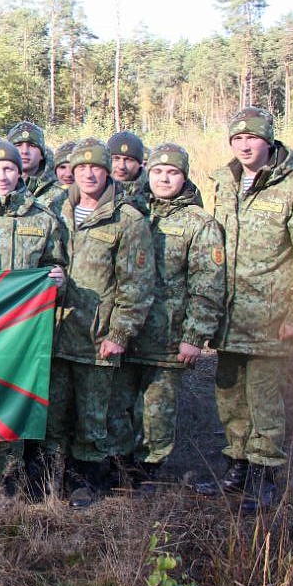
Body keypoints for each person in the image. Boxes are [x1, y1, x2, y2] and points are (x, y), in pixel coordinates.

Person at [198, 107, 293, 510]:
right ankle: (237, 463)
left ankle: (264, 473)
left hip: (271, 317)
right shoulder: (223, 183)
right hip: (228, 314)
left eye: (251, 138)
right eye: (236, 139)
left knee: (264, 398)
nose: (243, 145)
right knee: (229, 394)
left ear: (268, 140)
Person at [105, 143, 224, 495]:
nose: (164, 178)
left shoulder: (199, 223)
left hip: (169, 336)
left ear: (184, 177)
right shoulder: (131, 211)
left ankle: (150, 469)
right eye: (158, 172)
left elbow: (208, 284)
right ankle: (121, 463)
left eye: (172, 173)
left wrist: (195, 335)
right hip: (128, 331)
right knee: (121, 403)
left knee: (157, 408)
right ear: (147, 172)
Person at [47, 138, 155, 508]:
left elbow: (136, 284)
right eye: (81, 168)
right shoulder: (54, 209)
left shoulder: (127, 219)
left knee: (93, 417)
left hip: (97, 338)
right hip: (56, 333)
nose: (89, 174)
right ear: (71, 172)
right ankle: (51, 480)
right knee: (54, 412)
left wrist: (120, 333)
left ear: (108, 171)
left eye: (96, 167)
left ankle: (86, 480)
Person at [0, 139, 68, 496]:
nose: (2, 176)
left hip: (23, 330)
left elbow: (56, 263)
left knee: (13, 398)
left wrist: (58, 277)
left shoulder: (42, 218)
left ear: (20, 172)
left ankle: (8, 477)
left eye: (9, 169)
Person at [7, 121, 65, 210]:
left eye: (32, 145)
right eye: (18, 145)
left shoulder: (61, 193)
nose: (24, 151)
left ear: (42, 154)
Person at [108, 131, 149, 213]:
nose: (121, 166)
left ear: (139, 163)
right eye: (116, 158)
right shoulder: (94, 190)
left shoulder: (153, 193)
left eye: (129, 160)